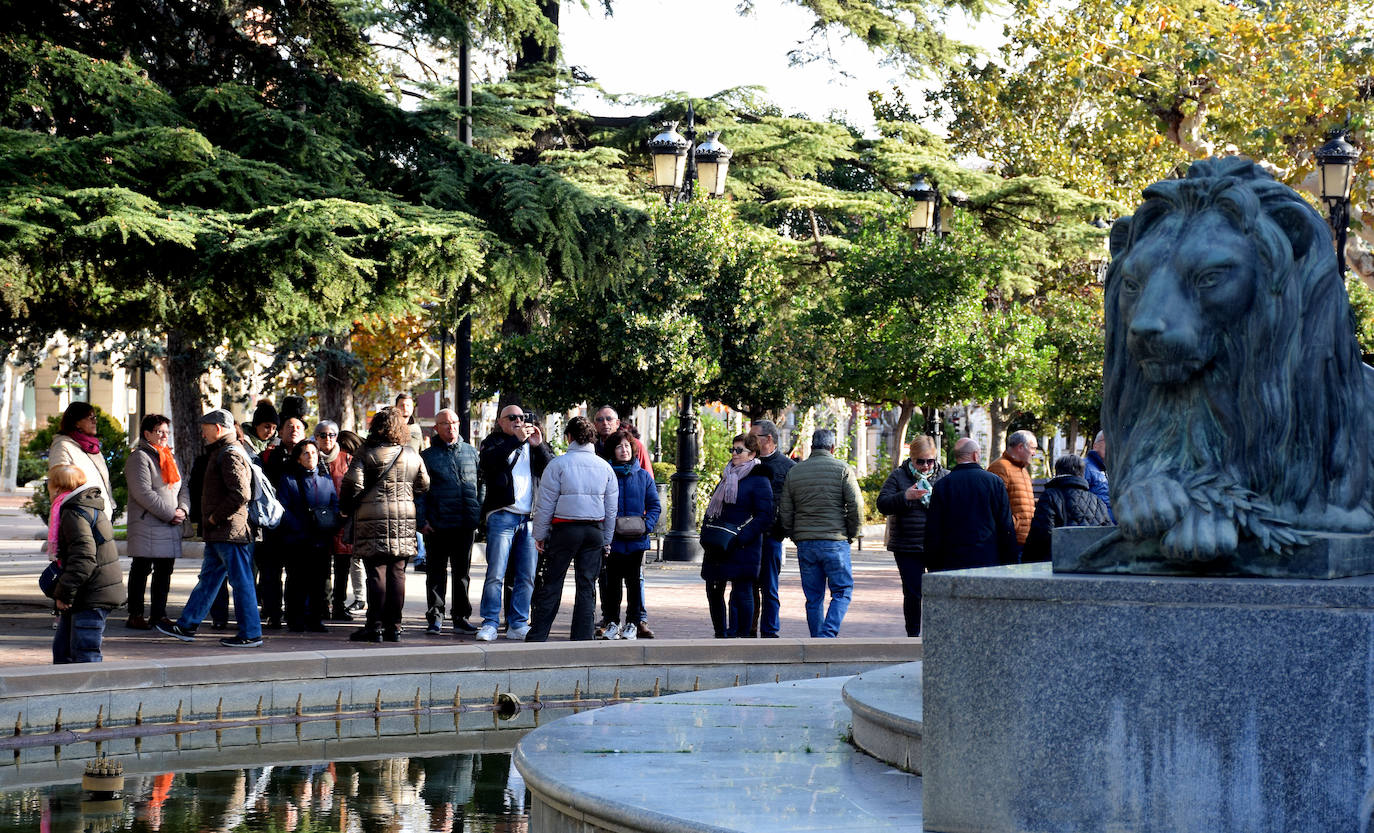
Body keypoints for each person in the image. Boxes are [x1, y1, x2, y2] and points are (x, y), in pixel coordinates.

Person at [157, 408, 264, 648]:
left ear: (217, 428)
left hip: (230, 532)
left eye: (205, 431)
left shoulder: (229, 453)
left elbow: (241, 493)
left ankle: (251, 632)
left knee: (241, 581)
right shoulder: (225, 451)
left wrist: (215, 517)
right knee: (209, 579)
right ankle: (187, 625)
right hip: (222, 532)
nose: (203, 436)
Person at [341, 408, 429, 643]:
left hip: (373, 518)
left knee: (376, 573)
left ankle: (375, 626)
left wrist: (347, 505)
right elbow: (424, 483)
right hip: (404, 518)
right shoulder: (411, 453)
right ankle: (395, 627)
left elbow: (352, 483)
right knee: (398, 573)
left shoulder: (366, 453)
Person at [526, 416, 617, 642]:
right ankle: (583, 636)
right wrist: (606, 540)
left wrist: (539, 534)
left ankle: (538, 635)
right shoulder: (605, 467)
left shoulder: (558, 464)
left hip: (564, 529)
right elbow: (611, 509)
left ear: (569, 437)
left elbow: (545, 504)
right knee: (587, 585)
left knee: (552, 582)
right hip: (593, 530)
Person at [474, 405, 554, 642]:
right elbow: (489, 463)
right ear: (501, 421)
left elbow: (552, 468)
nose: (519, 421)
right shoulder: (493, 442)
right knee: (496, 573)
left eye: (522, 418)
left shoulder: (532, 443)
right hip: (503, 516)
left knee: (527, 575)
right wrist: (516, 441)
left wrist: (539, 445)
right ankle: (489, 622)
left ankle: (518, 623)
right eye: (513, 418)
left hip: (529, 518)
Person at [778, 429, 863, 638]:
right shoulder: (843, 469)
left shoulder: (795, 471)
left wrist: (795, 535)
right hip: (835, 540)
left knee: (813, 597)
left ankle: (818, 640)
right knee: (842, 591)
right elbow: (856, 506)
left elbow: (785, 510)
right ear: (832, 447)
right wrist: (852, 534)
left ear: (811, 447)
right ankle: (828, 634)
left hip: (806, 542)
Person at [701, 432, 774, 638]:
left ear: (752, 454)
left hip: (743, 546)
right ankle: (721, 633)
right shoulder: (727, 476)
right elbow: (713, 509)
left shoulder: (760, 479)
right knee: (714, 589)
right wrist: (707, 532)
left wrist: (741, 537)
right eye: (732, 449)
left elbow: (765, 515)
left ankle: (742, 635)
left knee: (742, 591)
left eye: (739, 450)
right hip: (718, 544)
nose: (734, 453)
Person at [417, 408, 483, 635]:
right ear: (436, 428)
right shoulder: (427, 457)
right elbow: (420, 492)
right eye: (445, 423)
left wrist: (479, 511)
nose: (451, 426)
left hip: (465, 523)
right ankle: (435, 617)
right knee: (436, 574)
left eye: (454, 422)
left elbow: (481, 484)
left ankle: (461, 617)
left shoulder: (471, 452)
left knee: (462, 574)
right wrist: (421, 520)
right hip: (437, 525)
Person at [49, 465, 123, 663]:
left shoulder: (75, 511)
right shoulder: (87, 505)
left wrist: (64, 593)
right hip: (88, 591)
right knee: (64, 653)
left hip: (91, 594)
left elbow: (84, 558)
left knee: (85, 656)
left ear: (57, 486)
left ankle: (91, 695)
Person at [124, 414, 190, 631]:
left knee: (164, 571)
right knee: (141, 570)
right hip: (147, 524)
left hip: (169, 524)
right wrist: (170, 513)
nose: (164, 436)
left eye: (166, 432)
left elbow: (182, 488)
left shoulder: (169, 456)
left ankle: (158, 615)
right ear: (147, 434)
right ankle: (135, 614)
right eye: (159, 431)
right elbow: (142, 492)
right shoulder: (139, 457)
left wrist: (182, 509)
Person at [875, 435, 946, 637]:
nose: (925, 466)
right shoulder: (898, 476)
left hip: (937, 546)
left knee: (938, 593)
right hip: (907, 545)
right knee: (913, 593)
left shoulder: (944, 477)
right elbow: (882, 504)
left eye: (930, 460)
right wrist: (905, 496)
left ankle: (936, 636)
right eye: (920, 461)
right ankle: (913, 637)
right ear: (911, 458)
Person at [598, 429, 661, 640]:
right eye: (619, 446)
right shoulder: (606, 475)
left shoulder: (642, 476)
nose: (623, 450)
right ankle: (613, 622)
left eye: (626, 446)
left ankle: (633, 623)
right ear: (612, 451)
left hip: (636, 539)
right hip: (613, 539)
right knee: (611, 584)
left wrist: (647, 525)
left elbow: (654, 505)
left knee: (634, 584)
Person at [925, 438, 1018, 571]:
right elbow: (1005, 524)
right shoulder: (994, 482)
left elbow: (934, 528)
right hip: (988, 558)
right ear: (975, 455)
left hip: (952, 560)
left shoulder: (942, 485)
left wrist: (933, 564)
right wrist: (1010, 560)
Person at [277, 439, 339, 631]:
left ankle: (315, 619)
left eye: (313, 452)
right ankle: (295, 619)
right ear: (298, 458)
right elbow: (283, 508)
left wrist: (330, 523)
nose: (311, 456)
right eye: (306, 453)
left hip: (320, 540)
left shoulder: (326, 480)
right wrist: (298, 528)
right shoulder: (288, 480)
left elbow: (334, 504)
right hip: (297, 540)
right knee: (297, 581)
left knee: (318, 581)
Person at [257, 413, 308, 630]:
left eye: (298, 426)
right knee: (271, 574)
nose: (293, 429)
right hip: (273, 525)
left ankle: (295, 615)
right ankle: (273, 613)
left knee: (297, 574)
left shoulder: (310, 454)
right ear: (280, 431)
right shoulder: (268, 456)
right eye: (289, 426)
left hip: (300, 524)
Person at [749, 418, 794, 638]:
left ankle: (770, 632)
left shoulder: (788, 467)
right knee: (746, 586)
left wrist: (781, 531)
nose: (749, 441)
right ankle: (747, 630)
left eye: (753, 437)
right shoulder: (747, 462)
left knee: (769, 588)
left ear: (768, 438)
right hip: (748, 536)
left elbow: (792, 503)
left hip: (771, 536)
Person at [1022, 454, 1114, 562]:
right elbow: (1107, 533)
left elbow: (1041, 534)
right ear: (1082, 473)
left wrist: (1026, 561)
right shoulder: (1097, 501)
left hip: (1059, 563)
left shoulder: (1050, 496)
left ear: (1058, 472)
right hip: (1090, 563)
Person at [314, 420, 359, 620]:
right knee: (322, 568)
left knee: (343, 567)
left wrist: (348, 510)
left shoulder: (348, 460)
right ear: (316, 438)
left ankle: (339, 605)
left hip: (343, 519)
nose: (328, 439)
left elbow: (357, 487)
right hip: (318, 521)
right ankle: (323, 605)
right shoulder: (309, 457)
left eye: (332, 434)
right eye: (323, 435)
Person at [46, 402, 114, 518]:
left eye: (95, 417)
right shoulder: (62, 446)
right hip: (79, 517)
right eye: (90, 418)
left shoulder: (92, 448)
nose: (95, 421)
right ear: (76, 423)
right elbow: (58, 484)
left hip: (101, 516)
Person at [987, 430, 1039, 557]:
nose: (1034, 453)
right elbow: (995, 505)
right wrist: (1013, 525)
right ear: (1020, 447)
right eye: (1033, 448)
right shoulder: (1000, 467)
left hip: (1025, 541)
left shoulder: (1023, 470)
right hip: (1010, 541)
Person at [336, 429, 368, 613]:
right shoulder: (365, 455)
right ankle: (361, 597)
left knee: (357, 558)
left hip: (359, 514)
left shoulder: (357, 461)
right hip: (363, 513)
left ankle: (360, 598)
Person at [1084, 431, 1113, 521]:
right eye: (1107, 441)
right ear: (1095, 445)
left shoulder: (1108, 469)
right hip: (1098, 527)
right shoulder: (1085, 467)